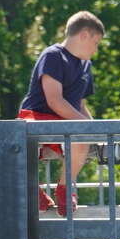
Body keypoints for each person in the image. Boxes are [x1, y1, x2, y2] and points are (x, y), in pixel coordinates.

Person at [17, 11, 104, 216]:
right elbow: (54, 100)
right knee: (26, 148)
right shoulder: (54, 55)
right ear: (83, 35)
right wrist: (86, 126)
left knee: (83, 138)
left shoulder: (86, 65)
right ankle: (31, 189)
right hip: (35, 115)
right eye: (96, 42)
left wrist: (97, 130)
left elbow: (80, 106)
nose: (96, 48)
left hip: (65, 119)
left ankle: (64, 188)